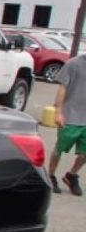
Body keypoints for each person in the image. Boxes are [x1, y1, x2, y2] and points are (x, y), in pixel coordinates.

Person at [48, 53, 86, 196]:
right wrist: (59, 111)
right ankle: (51, 175)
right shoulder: (73, 64)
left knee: (84, 154)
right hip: (70, 116)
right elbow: (62, 89)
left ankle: (71, 175)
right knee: (59, 148)